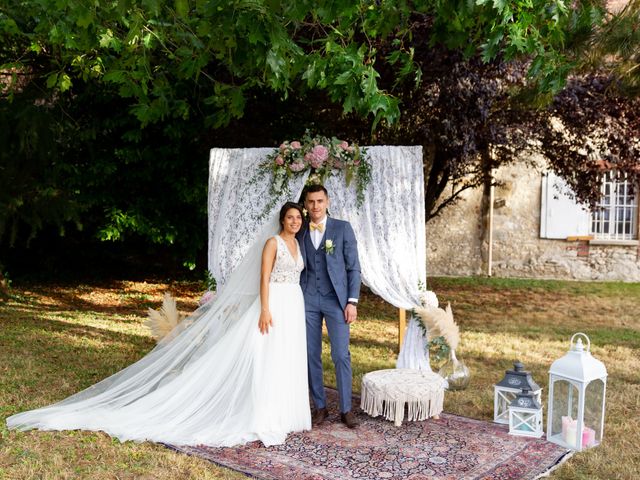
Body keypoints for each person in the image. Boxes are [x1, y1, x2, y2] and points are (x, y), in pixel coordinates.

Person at [6, 202, 311, 447]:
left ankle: (287, 412)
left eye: (298, 217)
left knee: (287, 356)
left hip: (293, 303)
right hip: (274, 303)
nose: (294, 221)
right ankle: (264, 411)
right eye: (290, 217)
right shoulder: (273, 243)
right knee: (267, 356)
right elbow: (263, 278)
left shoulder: (299, 245)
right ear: (282, 219)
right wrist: (265, 309)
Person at [298, 185, 361, 428]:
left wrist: (351, 301)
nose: (315, 206)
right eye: (311, 201)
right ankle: (320, 407)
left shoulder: (342, 228)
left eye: (319, 201)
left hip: (336, 300)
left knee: (340, 354)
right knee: (311, 353)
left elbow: (353, 267)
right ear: (305, 204)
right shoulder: (300, 229)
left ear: (327, 201)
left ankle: (346, 409)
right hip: (308, 299)